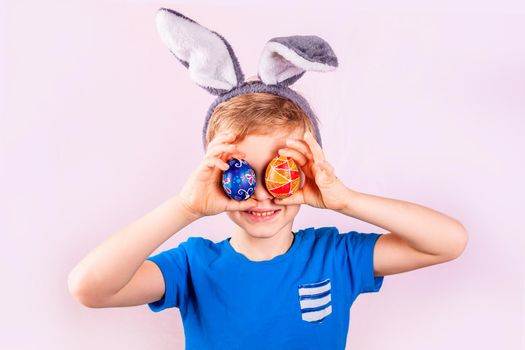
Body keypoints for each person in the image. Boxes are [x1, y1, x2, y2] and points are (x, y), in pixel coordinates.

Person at [67, 8, 468, 350]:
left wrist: (345, 199)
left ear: (307, 172)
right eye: (240, 172)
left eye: (282, 172)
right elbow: (89, 287)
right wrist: (184, 207)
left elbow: (448, 242)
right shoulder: (193, 264)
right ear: (217, 175)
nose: (260, 194)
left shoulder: (334, 257)